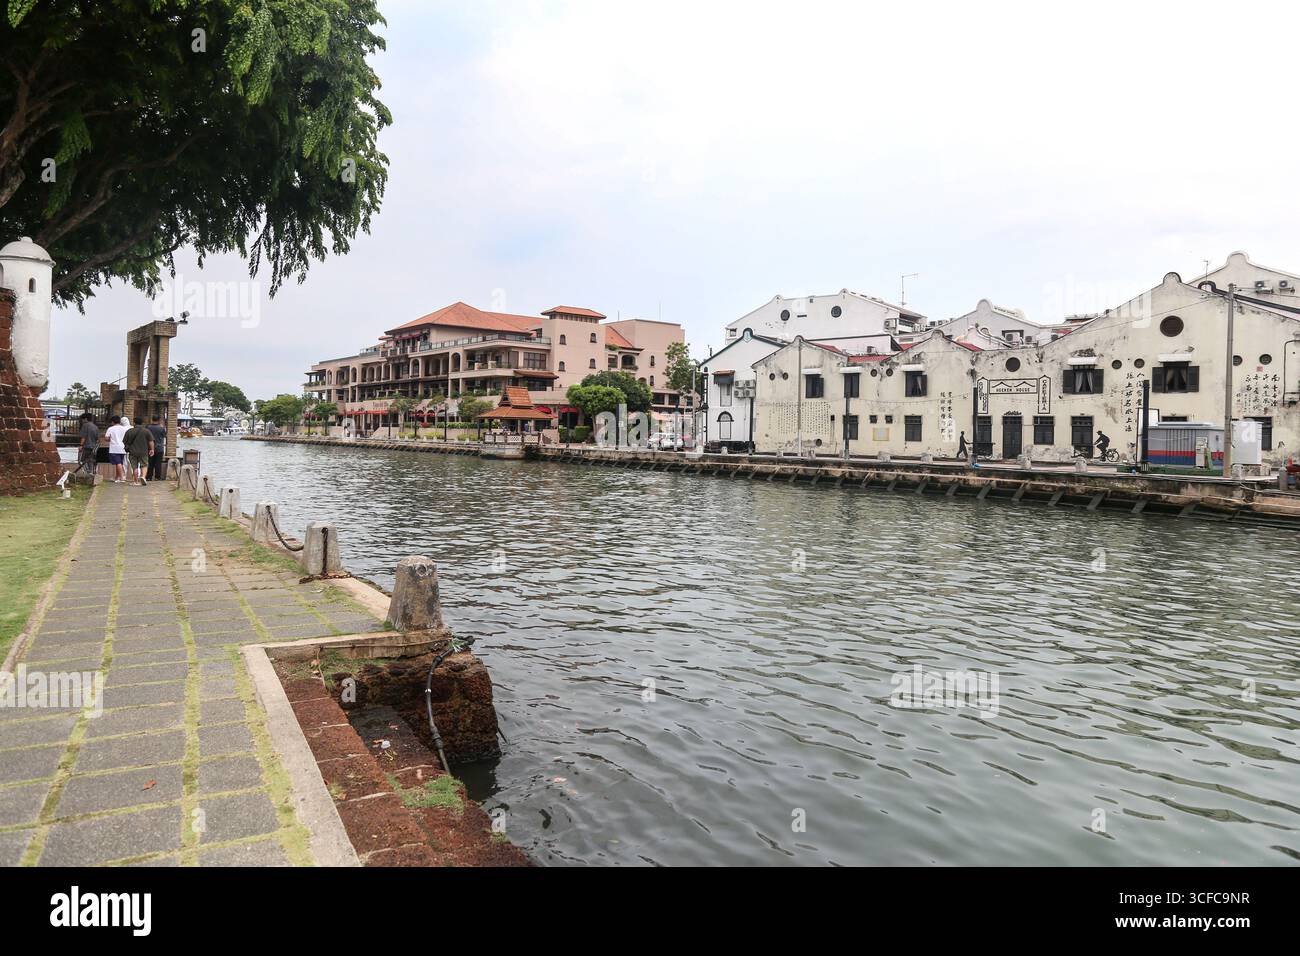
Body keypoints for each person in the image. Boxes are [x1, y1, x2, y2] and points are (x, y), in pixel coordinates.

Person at [123, 417, 154, 485]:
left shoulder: (129, 431)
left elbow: (124, 442)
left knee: (134, 467)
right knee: (144, 465)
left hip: (132, 452)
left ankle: (136, 481)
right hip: (144, 451)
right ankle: (143, 477)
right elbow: (151, 441)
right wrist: (152, 449)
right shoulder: (146, 431)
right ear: (142, 423)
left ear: (134, 422)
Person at [104, 415, 129, 483]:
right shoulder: (124, 429)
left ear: (112, 422)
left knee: (118, 463)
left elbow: (106, 438)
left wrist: (111, 439)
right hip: (123, 448)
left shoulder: (111, 429)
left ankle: (121, 477)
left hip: (114, 448)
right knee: (120, 462)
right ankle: (117, 477)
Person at [77, 412, 99, 477]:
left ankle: (88, 473)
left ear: (86, 419)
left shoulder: (85, 425)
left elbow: (83, 437)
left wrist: (81, 445)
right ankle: (93, 473)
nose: (82, 421)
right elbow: (97, 439)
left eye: (82, 419)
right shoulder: (95, 427)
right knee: (91, 460)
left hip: (86, 446)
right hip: (94, 447)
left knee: (81, 461)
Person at [146, 415, 167, 481]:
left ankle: (149, 477)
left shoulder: (148, 427)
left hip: (149, 448)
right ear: (159, 420)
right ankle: (157, 477)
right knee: (158, 463)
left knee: (150, 463)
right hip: (159, 448)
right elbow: (164, 436)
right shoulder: (161, 428)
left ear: (152, 419)